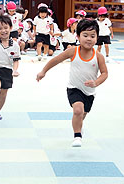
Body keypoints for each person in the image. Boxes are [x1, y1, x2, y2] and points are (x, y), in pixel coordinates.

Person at [36, 19, 108, 147]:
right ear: (78, 36)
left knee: (82, 114)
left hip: (90, 92)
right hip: (74, 88)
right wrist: (43, 71)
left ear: (97, 37)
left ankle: (78, 127)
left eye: (92, 36)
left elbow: (104, 73)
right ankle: (77, 136)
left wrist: (95, 82)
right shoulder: (73, 51)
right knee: (78, 111)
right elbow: (56, 60)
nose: (89, 39)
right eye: (85, 35)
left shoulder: (99, 56)